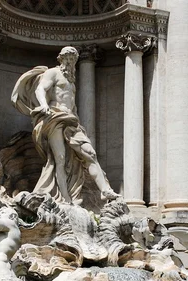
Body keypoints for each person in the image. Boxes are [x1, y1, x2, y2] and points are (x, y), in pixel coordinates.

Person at [11, 46, 119, 204]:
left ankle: (104, 190)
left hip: (71, 120)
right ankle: (65, 199)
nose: (70, 62)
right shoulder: (53, 72)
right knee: (59, 159)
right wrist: (44, 105)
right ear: (61, 59)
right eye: (67, 58)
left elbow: (72, 103)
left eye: (73, 59)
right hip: (55, 116)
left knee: (90, 154)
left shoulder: (71, 80)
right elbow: (40, 89)